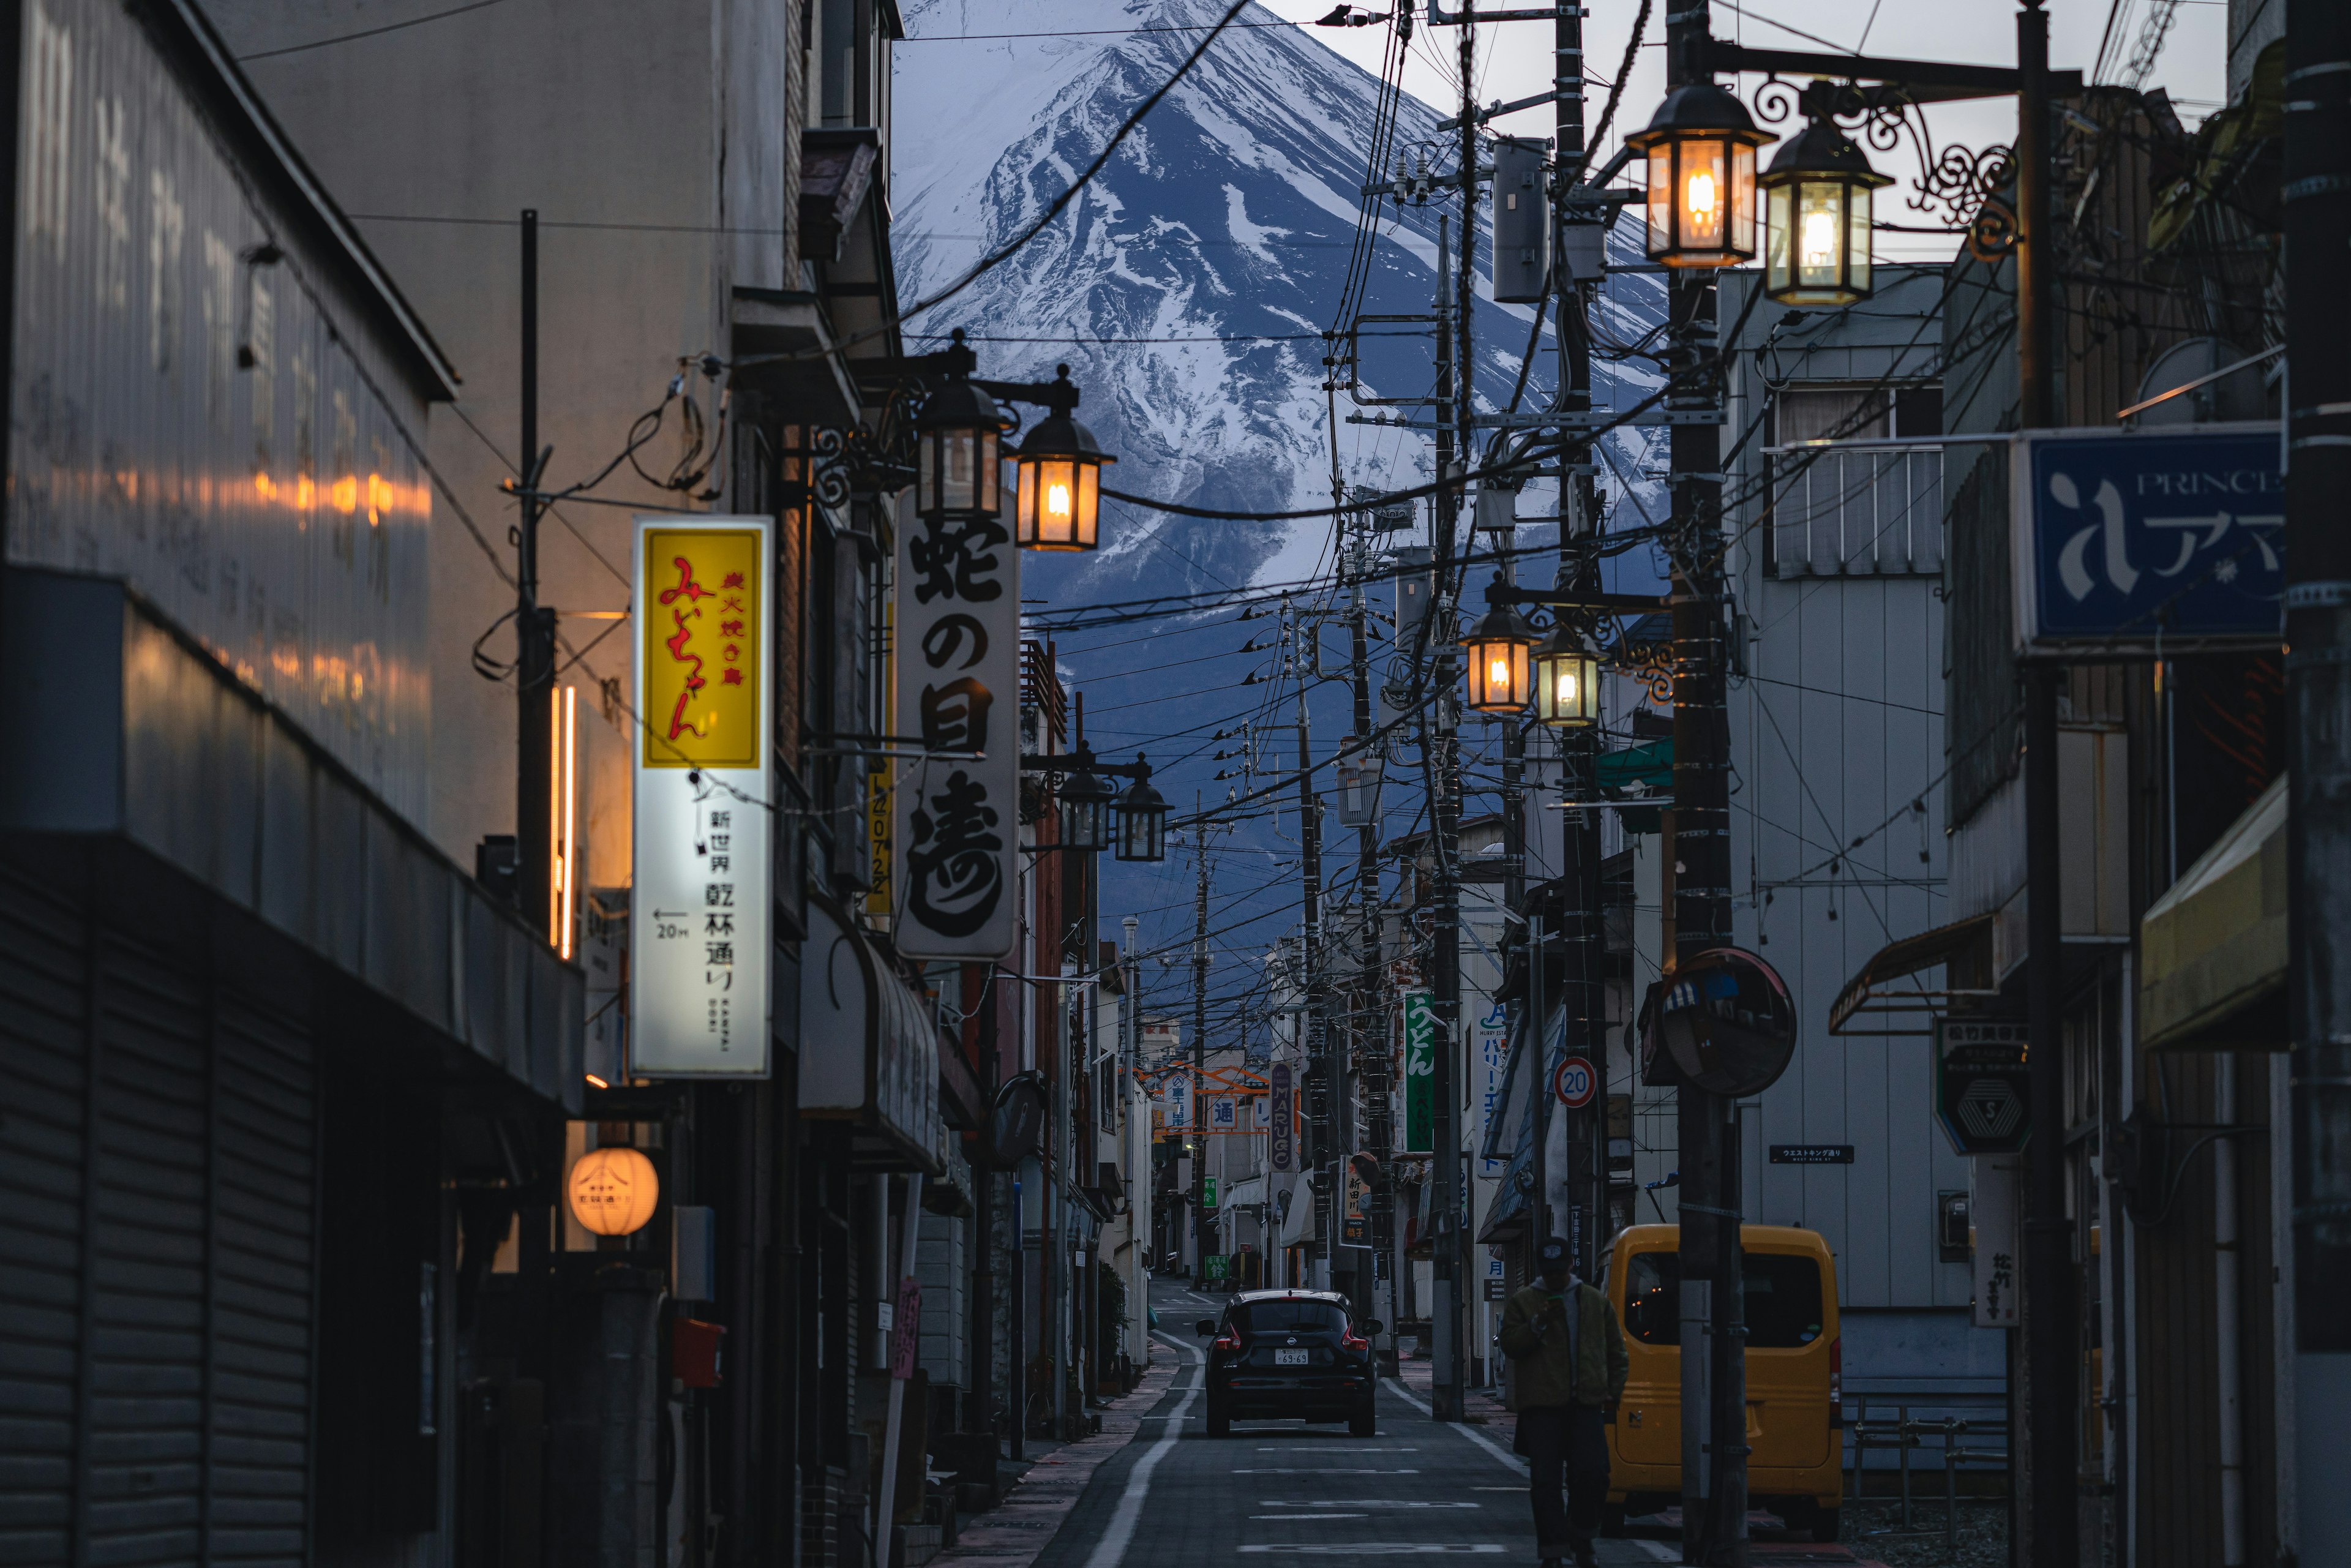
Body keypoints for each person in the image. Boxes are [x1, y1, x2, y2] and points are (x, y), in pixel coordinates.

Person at [1498, 1237, 1629, 1568]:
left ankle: (1581, 1536)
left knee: (1595, 1474)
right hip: (1542, 1406)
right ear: (1541, 1269)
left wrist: (1614, 1389)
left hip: (1586, 1403)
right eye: (1549, 1272)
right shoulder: (1524, 1302)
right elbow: (1511, 1345)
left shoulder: (1594, 1301)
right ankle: (1553, 1550)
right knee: (1545, 1482)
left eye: (1560, 1270)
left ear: (1571, 1265)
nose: (1556, 1277)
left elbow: (1617, 1350)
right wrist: (1538, 1323)